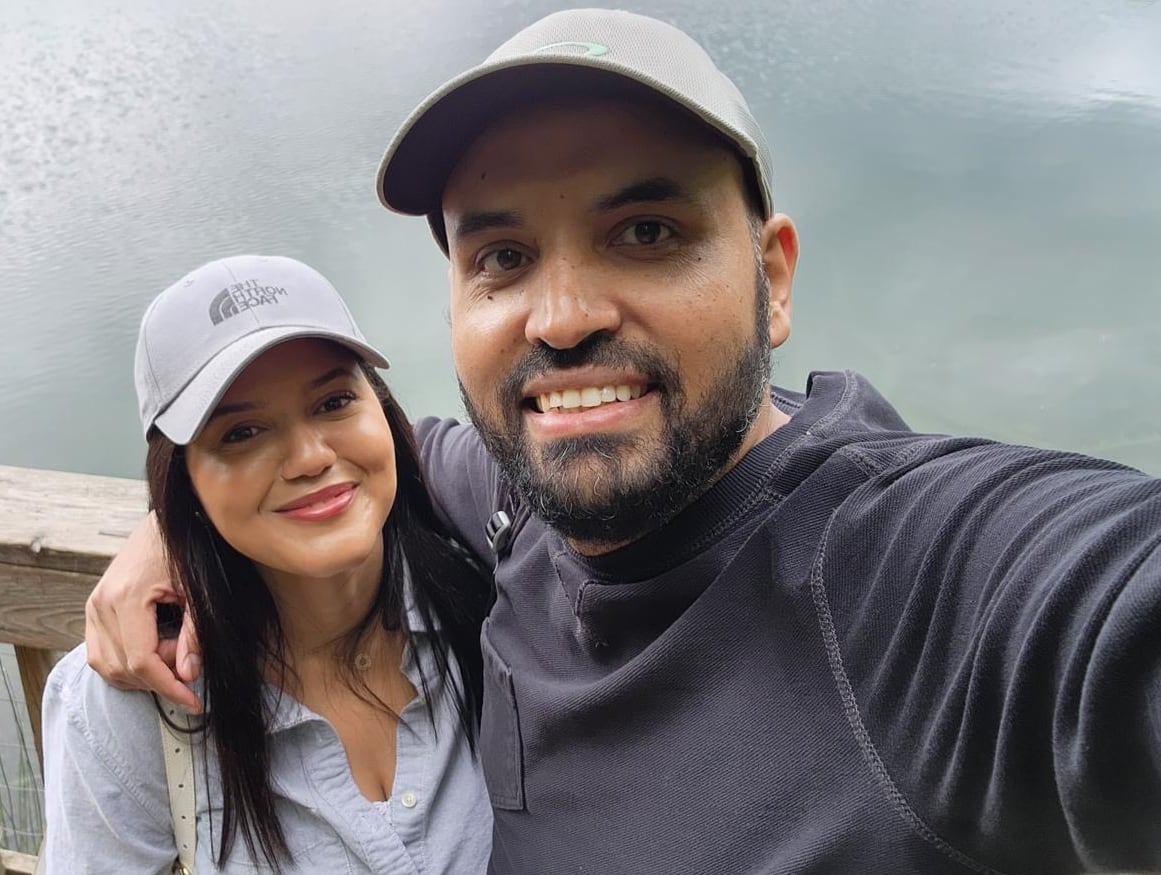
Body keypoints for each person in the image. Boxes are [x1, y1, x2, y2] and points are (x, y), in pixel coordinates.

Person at [83, 9, 1161, 875]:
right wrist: (178, 529)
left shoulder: (903, 583)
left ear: (772, 277)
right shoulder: (508, 495)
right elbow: (344, 454)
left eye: (646, 232)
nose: (559, 317)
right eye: (502, 254)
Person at [42, 255, 492, 873]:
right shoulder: (132, 698)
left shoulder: (484, 584)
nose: (309, 456)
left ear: (382, 412)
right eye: (241, 434)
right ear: (186, 482)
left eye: (334, 401)